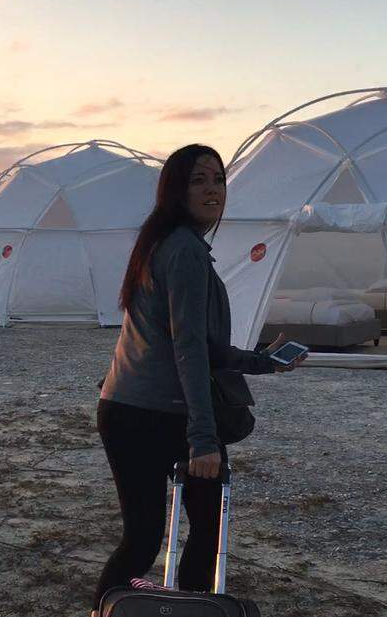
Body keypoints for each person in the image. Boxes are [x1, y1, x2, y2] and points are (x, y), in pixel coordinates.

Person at [92, 144, 303, 610]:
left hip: (130, 409)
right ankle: (170, 606)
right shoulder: (183, 249)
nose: (213, 190)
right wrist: (203, 438)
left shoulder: (165, 243)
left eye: (219, 179)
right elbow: (187, 349)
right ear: (175, 191)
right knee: (171, 533)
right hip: (154, 414)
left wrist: (262, 361)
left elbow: (195, 345)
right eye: (198, 180)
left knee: (156, 534)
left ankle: (166, 606)